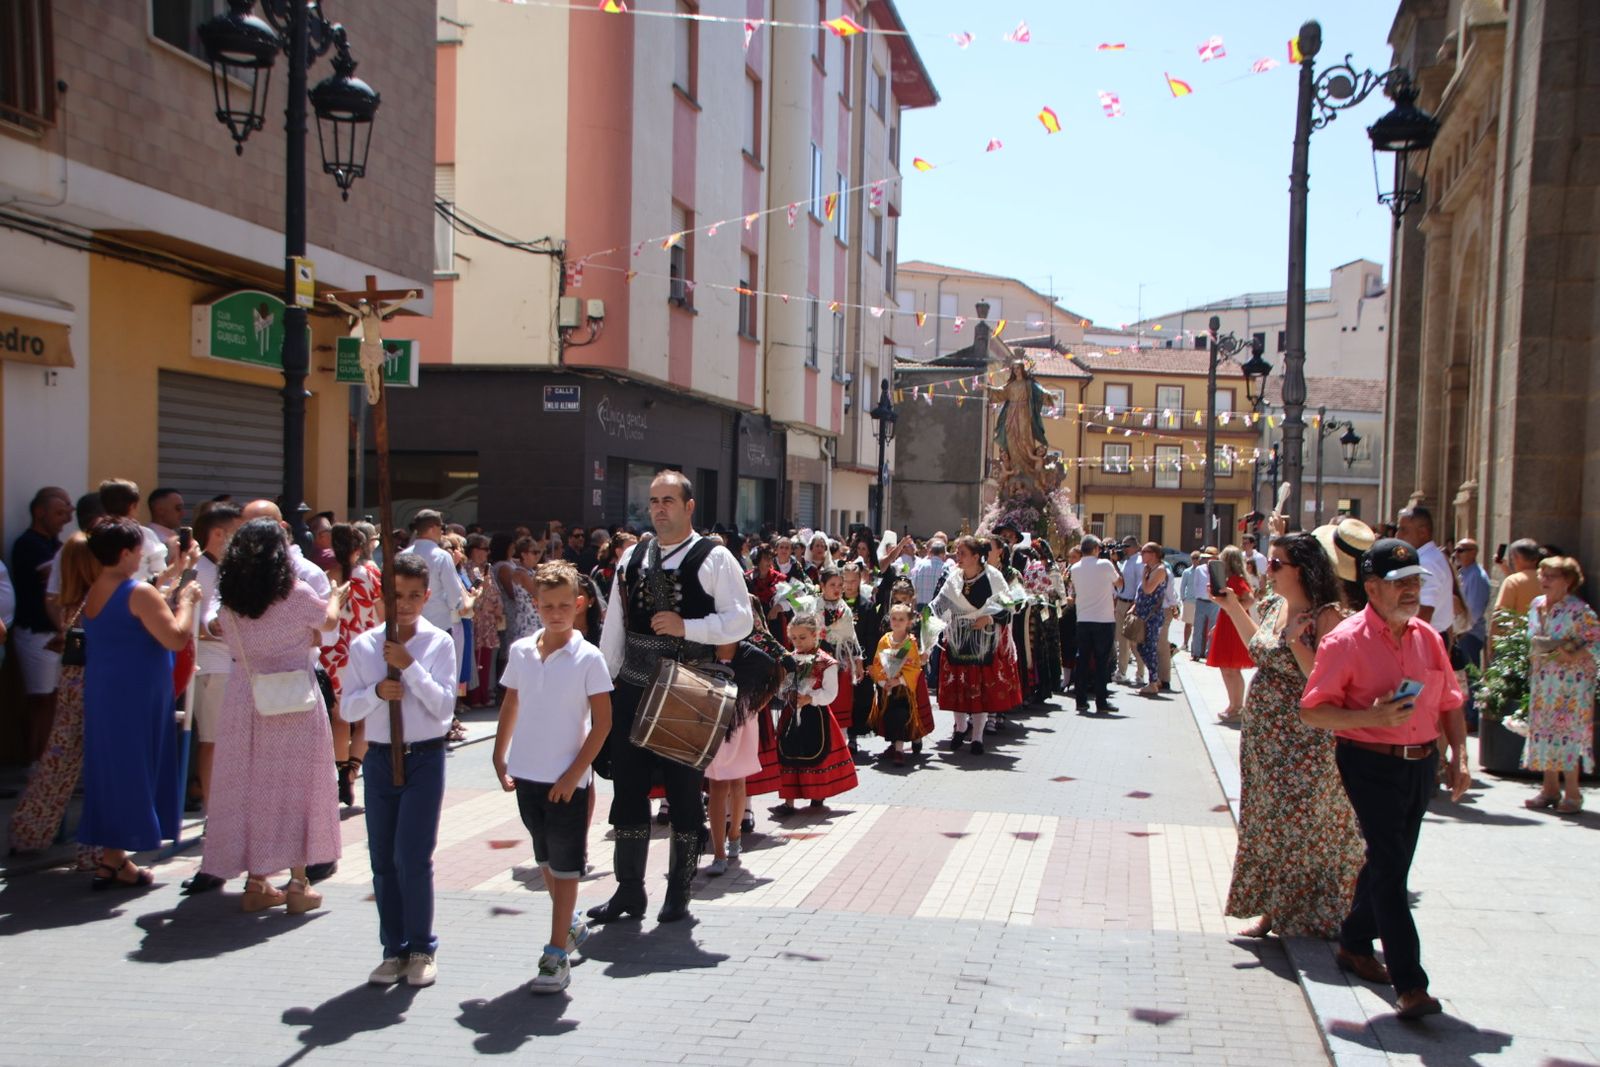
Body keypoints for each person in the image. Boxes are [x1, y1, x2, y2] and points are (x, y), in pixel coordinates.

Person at [1299, 538, 1468, 1021]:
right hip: (1368, 761)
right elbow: (1313, 712)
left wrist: (1458, 755)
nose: (1412, 591)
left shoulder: (1428, 637)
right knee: (1393, 865)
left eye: (1416, 581)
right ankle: (1411, 984)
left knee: (1390, 861)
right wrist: (1368, 717)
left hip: (1420, 765)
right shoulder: (1344, 641)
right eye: (1400, 584)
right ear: (1372, 588)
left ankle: (1354, 941)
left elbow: (1451, 700)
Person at [589, 471, 753, 926]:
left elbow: (741, 621)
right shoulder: (633, 556)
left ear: (688, 506)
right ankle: (628, 892)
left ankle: (679, 892)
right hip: (635, 685)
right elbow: (615, 625)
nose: (659, 508)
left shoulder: (715, 557)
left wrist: (689, 628)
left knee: (683, 793)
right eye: (654, 501)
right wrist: (605, 685)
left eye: (668, 500)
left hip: (688, 689)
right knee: (628, 791)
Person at [1219, 531, 1364, 939]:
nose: (1269, 568)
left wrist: (1296, 642)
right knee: (1268, 823)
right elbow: (1258, 650)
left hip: (1305, 741)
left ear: (1305, 569)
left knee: (1304, 826)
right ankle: (1273, 909)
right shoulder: (1273, 605)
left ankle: (1310, 913)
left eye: (1278, 563)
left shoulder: (1326, 615)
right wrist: (1232, 608)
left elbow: (1321, 677)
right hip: (1267, 739)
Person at [200, 519, 345, 913]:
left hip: (246, 697)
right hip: (295, 697)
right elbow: (328, 622)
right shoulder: (295, 594)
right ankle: (298, 882)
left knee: (251, 785)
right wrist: (334, 595)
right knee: (299, 786)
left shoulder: (230, 599)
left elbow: (223, 633)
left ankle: (256, 880)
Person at [492, 560, 612, 993]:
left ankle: (556, 953)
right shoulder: (523, 651)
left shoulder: (589, 657)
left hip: (568, 782)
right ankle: (572, 926)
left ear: (579, 604)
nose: (556, 612)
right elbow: (511, 703)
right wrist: (498, 753)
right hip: (527, 775)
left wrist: (574, 774)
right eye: (547, 605)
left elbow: (602, 724)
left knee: (566, 869)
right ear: (535, 604)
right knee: (545, 861)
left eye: (565, 604)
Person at [340, 554, 459, 988]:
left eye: (413, 596)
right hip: (378, 756)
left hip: (424, 756)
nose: (405, 605)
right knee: (383, 858)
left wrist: (409, 668)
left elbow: (444, 709)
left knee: (413, 856)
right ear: (382, 598)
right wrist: (376, 691)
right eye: (396, 596)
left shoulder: (438, 644)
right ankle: (393, 948)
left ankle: (422, 947)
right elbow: (348, 706)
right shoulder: (364, 645)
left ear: (426, 597)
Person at [77, 518, 202, 889]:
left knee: (114, 770)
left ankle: (113, 858)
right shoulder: (136, 592)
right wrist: (188, 602)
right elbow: (176, 637)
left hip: (107, 691)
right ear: (126, 552)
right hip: (136, 693)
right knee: (135, 769)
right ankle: (116, 856)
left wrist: (174, 577)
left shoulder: (97, 587)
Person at [8, 533, 100, 859]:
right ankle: (96, 849)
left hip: (71, 686)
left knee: (58, 764)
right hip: (98, 687)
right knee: (99, 768)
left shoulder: (67, 601)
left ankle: (29, 831)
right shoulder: (99, 600)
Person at [1522, 556, 1598, 814]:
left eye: (1551, 576)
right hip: (1544, 681)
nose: (1543, 580)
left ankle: (1573, 793)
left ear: (1567, 581)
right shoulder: (1536, 605)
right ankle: (1549, 789)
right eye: (1542, 575)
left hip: (1571, 684)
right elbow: (1532, 638)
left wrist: (1564, 652)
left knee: (1568, 735)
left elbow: (1594, 643)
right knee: (1544, 732)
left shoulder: (1579, 610)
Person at [931, 536, 1019, 753]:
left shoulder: (994, 577)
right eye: (957, 552)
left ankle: (978, 737)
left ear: (977, 556)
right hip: (957, 640)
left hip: (984, 641)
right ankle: (960, 727)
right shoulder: (954, 578)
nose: (957, 557)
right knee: (959, 686)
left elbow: (1008, 607)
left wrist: (988, 618)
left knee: (980, 688)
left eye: (962, 553)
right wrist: (923, 622)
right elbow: (938, 605)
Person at [321, 522, 385, 805]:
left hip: (334, 653)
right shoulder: (371, 574)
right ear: (359, 549)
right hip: (365, 652)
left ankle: (339, 771)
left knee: (340, 716)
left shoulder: (326, 577)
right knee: (366, 717)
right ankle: (352, 772)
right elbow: (382, 613)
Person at [190, 502, 245, 815]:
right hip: (212, 666)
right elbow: (194, 624)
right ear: (218, 533)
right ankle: (214, 812)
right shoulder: (199, 569)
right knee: (213, 740)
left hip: (229, 665)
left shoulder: (222, 569)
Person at [11, 486, 73, 762]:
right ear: (40, 513)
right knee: (40, 700)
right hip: (36, 634)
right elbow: (59, 573)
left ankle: (49, 759)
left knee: (56, 699)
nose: (65, 520)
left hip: (57, 635)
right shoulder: (28, 544)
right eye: (59, 513)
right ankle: (34, 759)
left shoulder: (56, 545)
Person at [774, 613, 858, 807]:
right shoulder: (789, 660)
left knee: (816, 752)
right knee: (789, 754)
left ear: (815, 635)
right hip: (792, 712)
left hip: (816, 714)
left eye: (802, 637)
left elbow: (831, 693)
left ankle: (817, 793)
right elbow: (781, 687)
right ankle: (789, 801)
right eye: (794, 638)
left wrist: (810, 698)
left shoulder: (826, 662)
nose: (798, 642)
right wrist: (788, 694)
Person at [868, 603, 929, 764]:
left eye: (901, 619)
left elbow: (914, 666)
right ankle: (894, 745)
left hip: (903, 688)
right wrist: (883, 682)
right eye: (894, 618)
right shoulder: (884, 640)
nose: (897, 622)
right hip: (887, 687)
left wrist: (899, 680)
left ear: (909, 622)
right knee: (889, 716)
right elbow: (877, 662)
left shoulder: (910, 642)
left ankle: (900, 750)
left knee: (902, 716)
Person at [1069, 536, 1119, 715]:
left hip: (1083, 619)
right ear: (1097, 548)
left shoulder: (1074, 568)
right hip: (1103, 619)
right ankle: (1101, 701)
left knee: (1082, 661)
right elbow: (1119, 582)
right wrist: (1113, 561)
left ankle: (1081, 701)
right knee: (1101, 662)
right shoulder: (1105, 565)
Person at [1207, 546, 1256, 723]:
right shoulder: (1231, 579)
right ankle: (1233, 705)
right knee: (1227, 668)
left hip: (1234, 625)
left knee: (1232, 669)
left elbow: (1249, 599)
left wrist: (1235, 610)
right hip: (1228, 623)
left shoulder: (1236, 579)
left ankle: (1237, 707)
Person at [1452, 538, 1491, 730]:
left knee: (1471, 676)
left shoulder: (1476, 576)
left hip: (1469, 633)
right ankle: (1467, 714)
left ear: (1474, 552)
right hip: (1462, 631)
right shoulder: (1465, 573)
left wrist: (1460, 631)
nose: (1456, 554)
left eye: (1461, 550)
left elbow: (1474, 611)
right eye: (1456, 550)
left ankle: (1472, 718)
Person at [1397, 505, 1452, 638]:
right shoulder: (1430, 557)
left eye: (1403, 530)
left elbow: (1424, 611)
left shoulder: (1426, 563)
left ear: (1422, 532)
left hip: (1424, 637)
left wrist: (1408, 641)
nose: (1398, 535)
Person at [465, 534, 504, 708]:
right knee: (476, 658)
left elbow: (495, 592)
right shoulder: (469, 569)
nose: (486, 553)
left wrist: (498, 607)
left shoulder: (486, 569)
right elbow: (471, 594)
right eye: (483, 549)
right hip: (477, 619)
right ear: (473, 550)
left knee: (487, 657)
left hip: (489, 621)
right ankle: (474, 697)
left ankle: (484, 694)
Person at [1131, 543, 1170, 697]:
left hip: (1151, 616)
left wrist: (1143, 576)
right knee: (1140, 646)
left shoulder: (1160, 570)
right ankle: (1154, 679)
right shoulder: (1150, 569)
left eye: (1144, 552)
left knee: (1149, 648)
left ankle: (1153, 682)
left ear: (1153, 554)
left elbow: (1148, 589)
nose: (1141, 554)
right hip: (1143, 614)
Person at [497, 535, 543, 647]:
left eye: (539, 552)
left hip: (536, 619)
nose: (538, 555)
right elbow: (539, 595)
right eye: (534, 552)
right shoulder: (521, 573)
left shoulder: (531, 571)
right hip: (527, 622)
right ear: (523, 554)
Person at [1112, 537, 1146, 687]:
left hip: (1130, 603)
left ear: (1132, 546)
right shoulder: (1128, 561)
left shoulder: (1138, 562)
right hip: (1121, 601)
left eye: (1126, 546)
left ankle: (1138, 673)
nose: (1123, 549)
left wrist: (1135, 604)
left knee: (1132, 641)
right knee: (1122, 639)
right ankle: (1123, 671)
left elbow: (1141, 585)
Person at [1187, 547, 1219, 659]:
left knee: (1212, 629)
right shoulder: (1199, 569)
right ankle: (1195, 653)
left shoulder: (1218, 569)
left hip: (1214, 602)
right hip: (1201, 601)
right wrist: (1198, 597)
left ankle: (1209, 654)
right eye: (1207, 557)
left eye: (1211, 557)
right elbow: (1196, 585)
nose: (1209, 559)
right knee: (1198, 628)